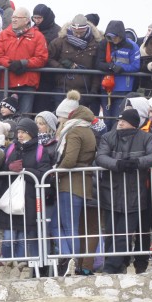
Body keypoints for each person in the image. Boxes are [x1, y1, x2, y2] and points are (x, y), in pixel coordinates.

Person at [94, 108, 152, 274]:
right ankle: (116, 266)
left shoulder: (146, 138)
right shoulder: (108, 137)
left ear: (132, 122)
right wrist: (118, 164)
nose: (120, 122)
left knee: (124, 233)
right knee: (111, 232)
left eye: (123, 120)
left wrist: (137, 162)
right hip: (111, 191)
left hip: (134, 193)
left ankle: (111, 268)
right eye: (119, 120)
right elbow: (100, 157)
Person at [0, 117, 54, 278]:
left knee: (22, 238)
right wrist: (9, 167)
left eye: (24, 132)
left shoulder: (40, 151)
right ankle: (8, 263)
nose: (20, 135)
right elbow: (0, 169)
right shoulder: (11, 148)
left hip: (28, 200)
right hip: (10, 200)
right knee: (8, 237)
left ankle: (18, 268)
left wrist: (25, 170)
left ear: (32, 134)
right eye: (19, 132)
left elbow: (45, 175)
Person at [52, 100, 99, 276]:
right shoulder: (86, 129)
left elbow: (70, 160)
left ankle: (71, 261)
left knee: (68, 226)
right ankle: (70, 259)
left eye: (60, 116)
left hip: (70, 183)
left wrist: (55, 172)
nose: (59, 120)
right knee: (60, 225)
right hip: (79, 183)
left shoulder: (74, 131)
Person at [0, 7, 49, 117]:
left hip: (27, 83)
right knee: (4, 116)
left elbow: (42, 58)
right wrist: (10, 64)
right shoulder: (4, 34)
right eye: (13, 17)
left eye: (17, 17)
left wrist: (24, 63)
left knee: (24, 117)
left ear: (27, 20)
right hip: (7, 82)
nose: (14, 20)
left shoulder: (38, 36)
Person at [46, 15, 103, 111]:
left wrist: (93, 91)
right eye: (75, 32)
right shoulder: (60, 42)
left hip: (84, 91)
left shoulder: (95, 45)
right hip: (63, 89)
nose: (78, 35)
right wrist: (61, 66)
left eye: (81, 32)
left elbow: (96, 69)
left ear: (86, 29)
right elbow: (48, 58)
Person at [95, 20, 141, 121]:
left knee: (118, 119)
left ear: (121, 34)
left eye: (115, 36)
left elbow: (136, 66)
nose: (113, 39)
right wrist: (111, 67)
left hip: (123, 89)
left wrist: (121, 68)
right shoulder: (104, 44)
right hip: (106, 88)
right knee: (106, 120)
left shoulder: (132, 46)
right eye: (110, 36)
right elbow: (98, 64)